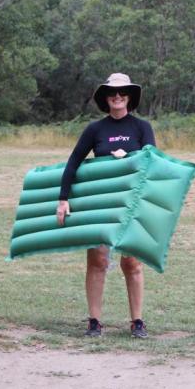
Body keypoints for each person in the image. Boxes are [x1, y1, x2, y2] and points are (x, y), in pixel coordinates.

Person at [56, 73, 156, 338]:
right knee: (98, 260)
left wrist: (130, 157)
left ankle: (137, 322)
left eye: (122, 92)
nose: (117, 96)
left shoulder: (141, 127)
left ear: (130, 96)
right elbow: (73, 162)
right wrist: (63, 199)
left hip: (132, 203)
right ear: (106, 98)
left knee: (132, 262)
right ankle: (94, 321)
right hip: (100, 204)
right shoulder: (95, 130)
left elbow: (152, 162)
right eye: (112, 92)